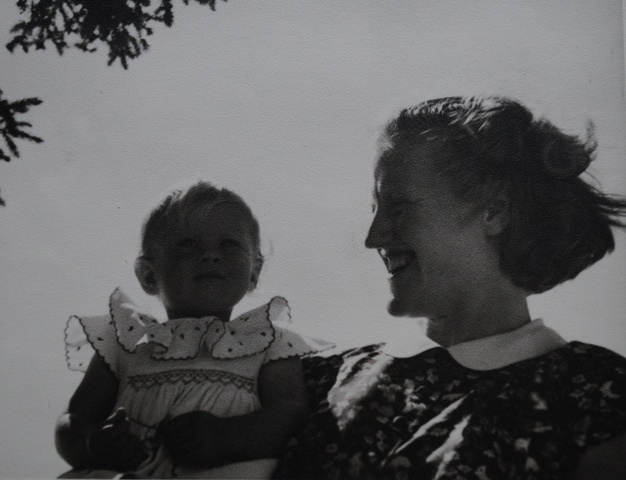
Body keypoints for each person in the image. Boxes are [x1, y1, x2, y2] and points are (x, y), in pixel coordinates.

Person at [276, 96, 626, 479]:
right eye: (376, 209)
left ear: (495, 211)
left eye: (397, 206)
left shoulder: (597, 394)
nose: (372, 238)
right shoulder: (313, 380)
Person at [55, 181, 332, 479]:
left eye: (229, 244)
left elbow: (289, 413)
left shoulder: (267, 339)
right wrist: (93, 444)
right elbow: (74, 418)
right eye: (187, 244)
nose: (210, 255)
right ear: (149, 275)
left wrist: (225, 437)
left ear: (254, 271)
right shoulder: (126, 340)